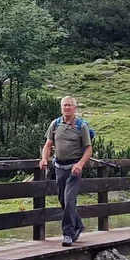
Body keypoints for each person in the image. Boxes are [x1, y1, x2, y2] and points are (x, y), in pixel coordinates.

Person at [39, 95, 95, 246]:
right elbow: (48, 145)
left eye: (70, 105)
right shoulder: (55, 124)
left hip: (74, 169)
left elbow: (89, 149)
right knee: (63, 201)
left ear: (75, 108)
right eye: (65, 105)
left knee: (69, 200)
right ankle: (79, 225)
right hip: (59, 168)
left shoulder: (81, 126)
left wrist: (80, 164)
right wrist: (44, 159)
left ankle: (68, 234)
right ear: (61, 108)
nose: (67, 108)